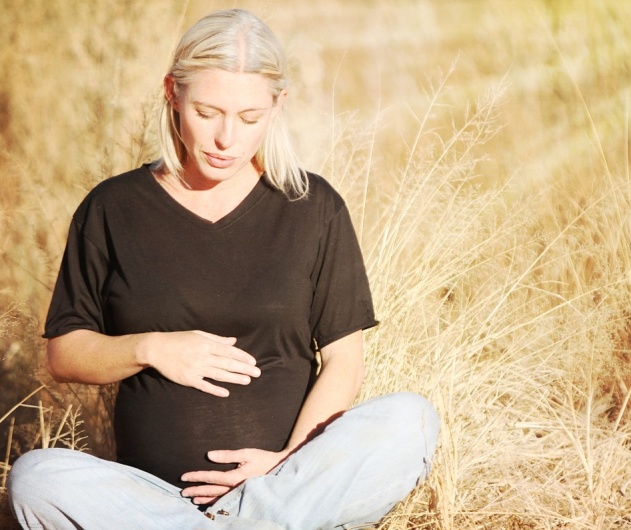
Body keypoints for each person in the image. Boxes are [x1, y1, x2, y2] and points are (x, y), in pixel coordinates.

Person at [8, 9, 439, 530]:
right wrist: (152, 348)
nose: (226, 139)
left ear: (278, 105)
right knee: (35, 477)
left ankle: (254, 518)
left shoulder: (313, 206)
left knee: (411, 420)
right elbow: (65, 353)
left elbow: (344, 362)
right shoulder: (113, 208)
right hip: (152, 501)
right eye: (208, 112)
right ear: (173, 93)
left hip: (285, 483)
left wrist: (284, 467)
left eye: (250, 118)